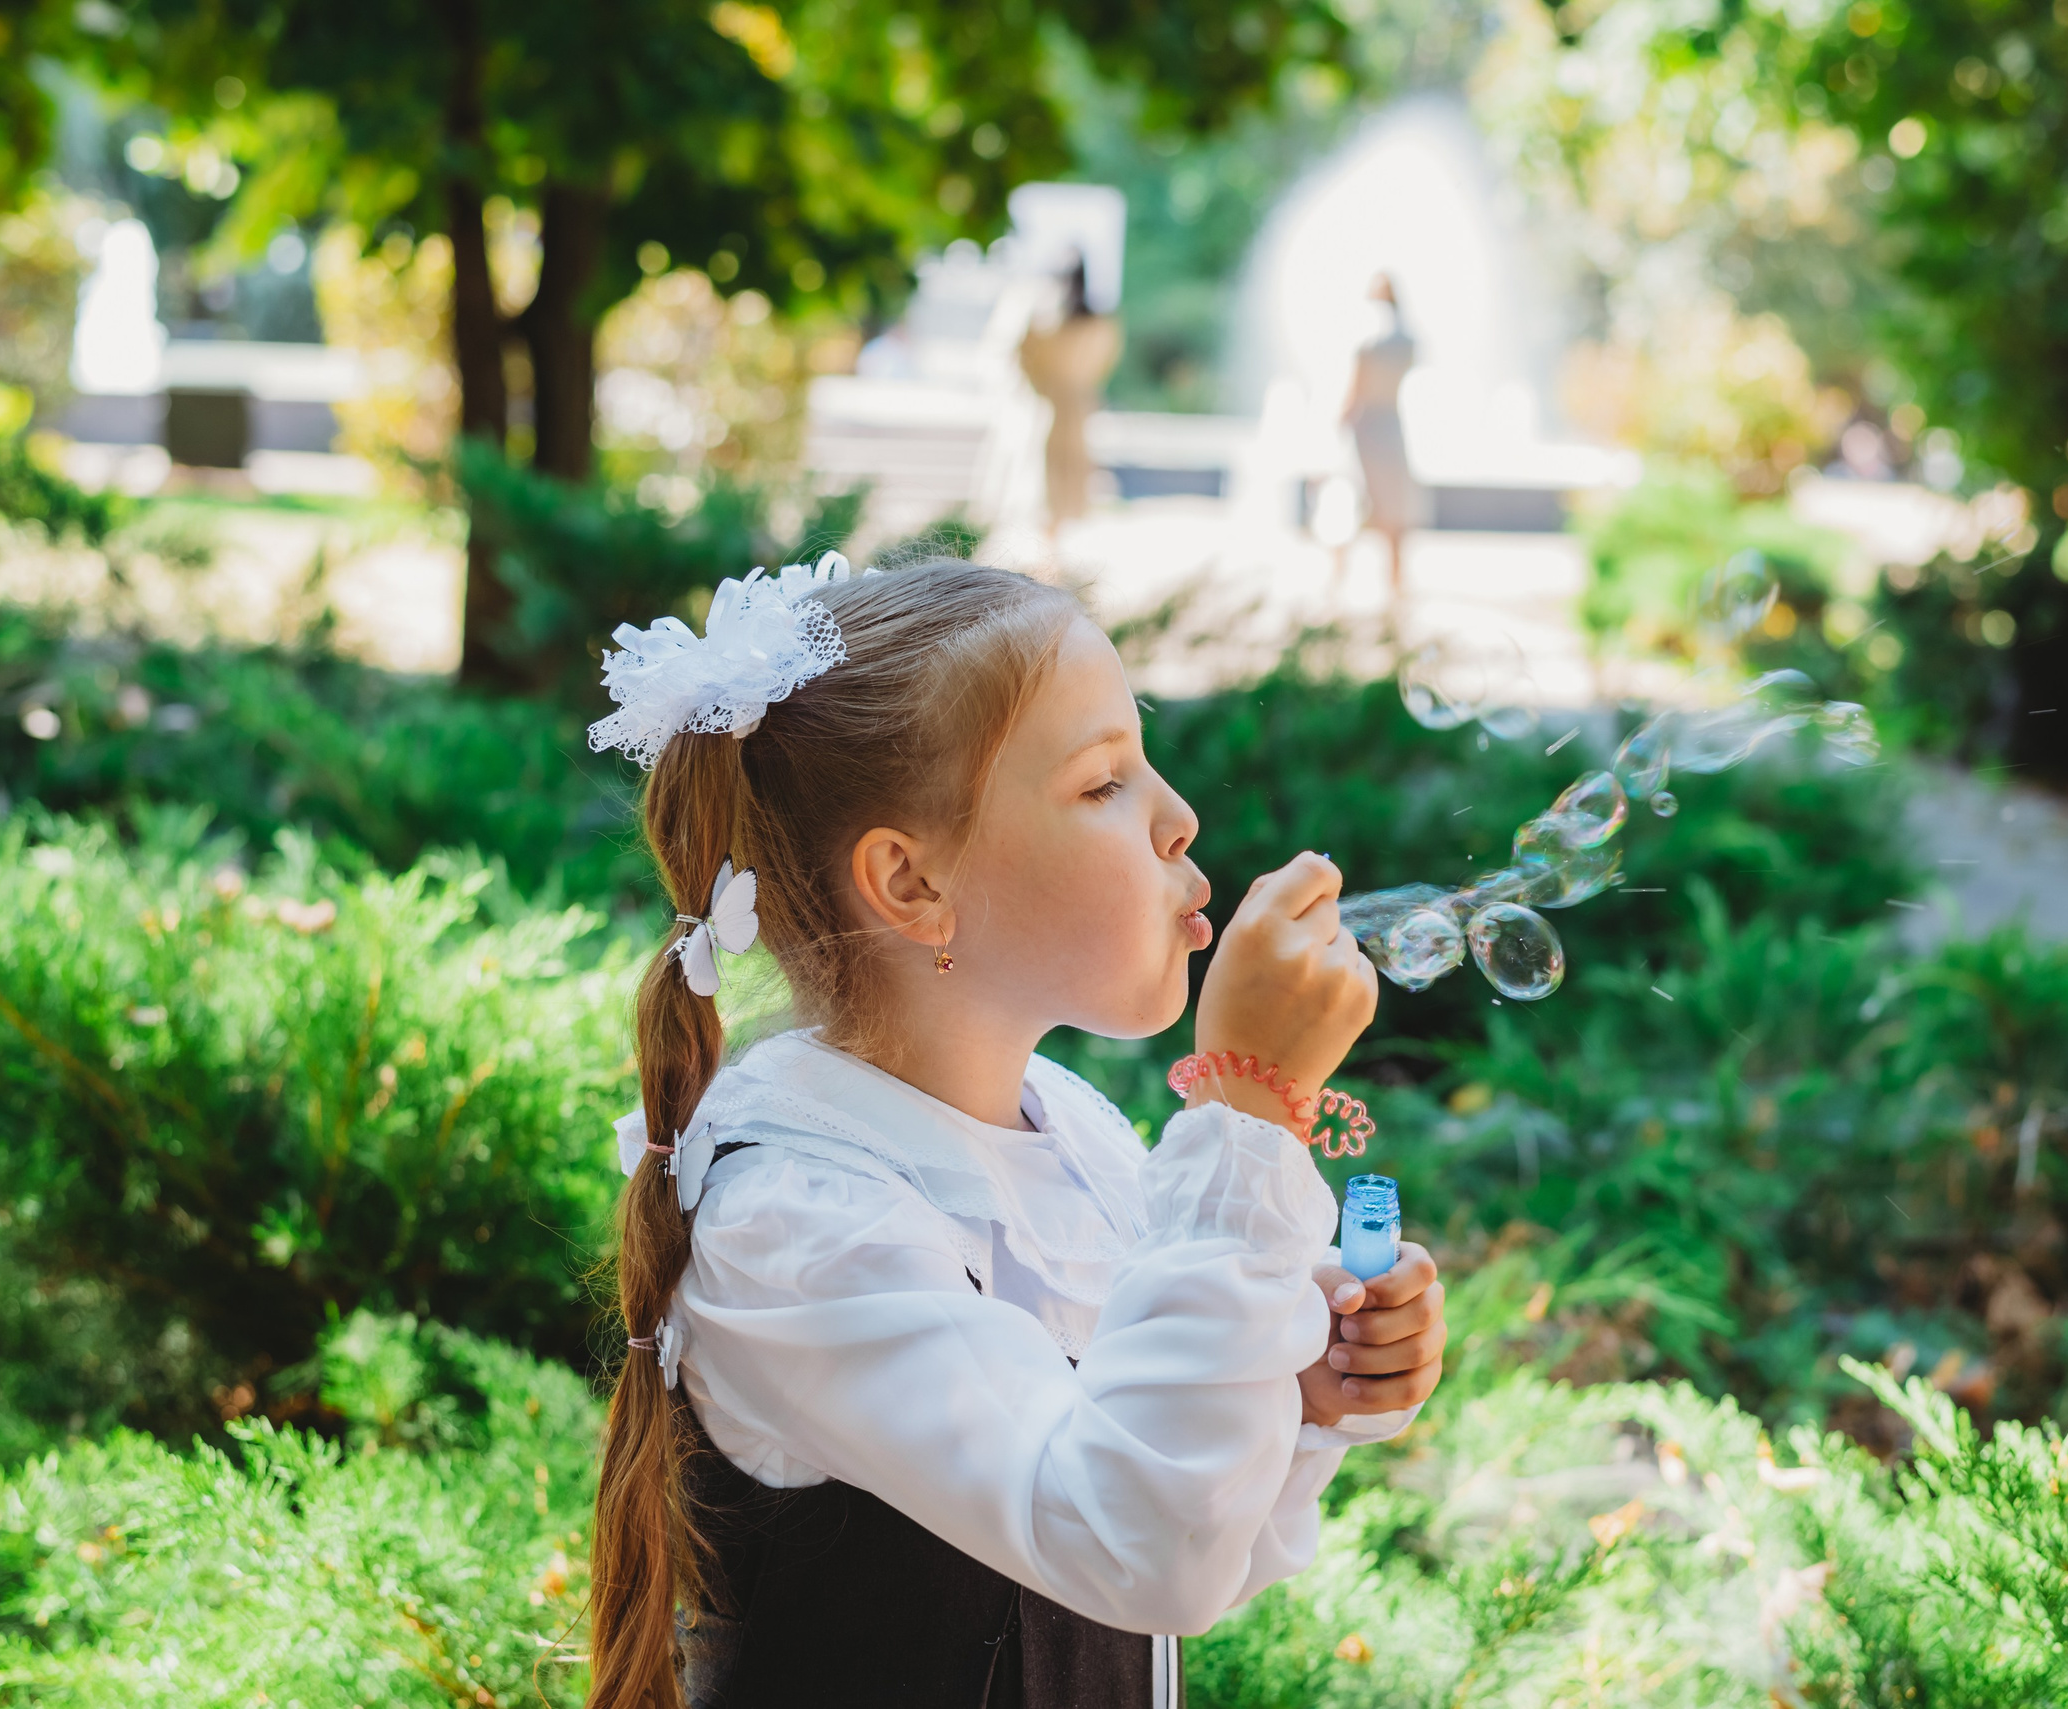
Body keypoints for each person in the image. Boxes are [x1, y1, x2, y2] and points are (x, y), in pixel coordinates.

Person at [581, 555, 1448, 1709]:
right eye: (1102, 785)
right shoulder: (798, 1223)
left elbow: (1180, 1543)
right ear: (910, 882)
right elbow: (1141, 1542)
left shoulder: (1072, 1131)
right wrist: (1244, 1106)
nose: (1180, 817)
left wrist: (1299, 1400)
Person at [1018, 259, 1124, 539]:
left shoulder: (1075, 325)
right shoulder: (1076, 324)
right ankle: (1055, 534)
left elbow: (1028, 354)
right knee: (1058, 470)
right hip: (1066, 406)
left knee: (1066, 470)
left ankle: (1059, 533)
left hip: (1067, 407)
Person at [1341, 273, 1420, 595]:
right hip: (1391, 424)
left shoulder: (1369, 341)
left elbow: (1354, 394)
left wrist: (1340, 424)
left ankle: (1338, 582)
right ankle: (1396, 583)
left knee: (1354, 502)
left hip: (1367, 426)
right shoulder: (1407, 341)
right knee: (1392, 507)